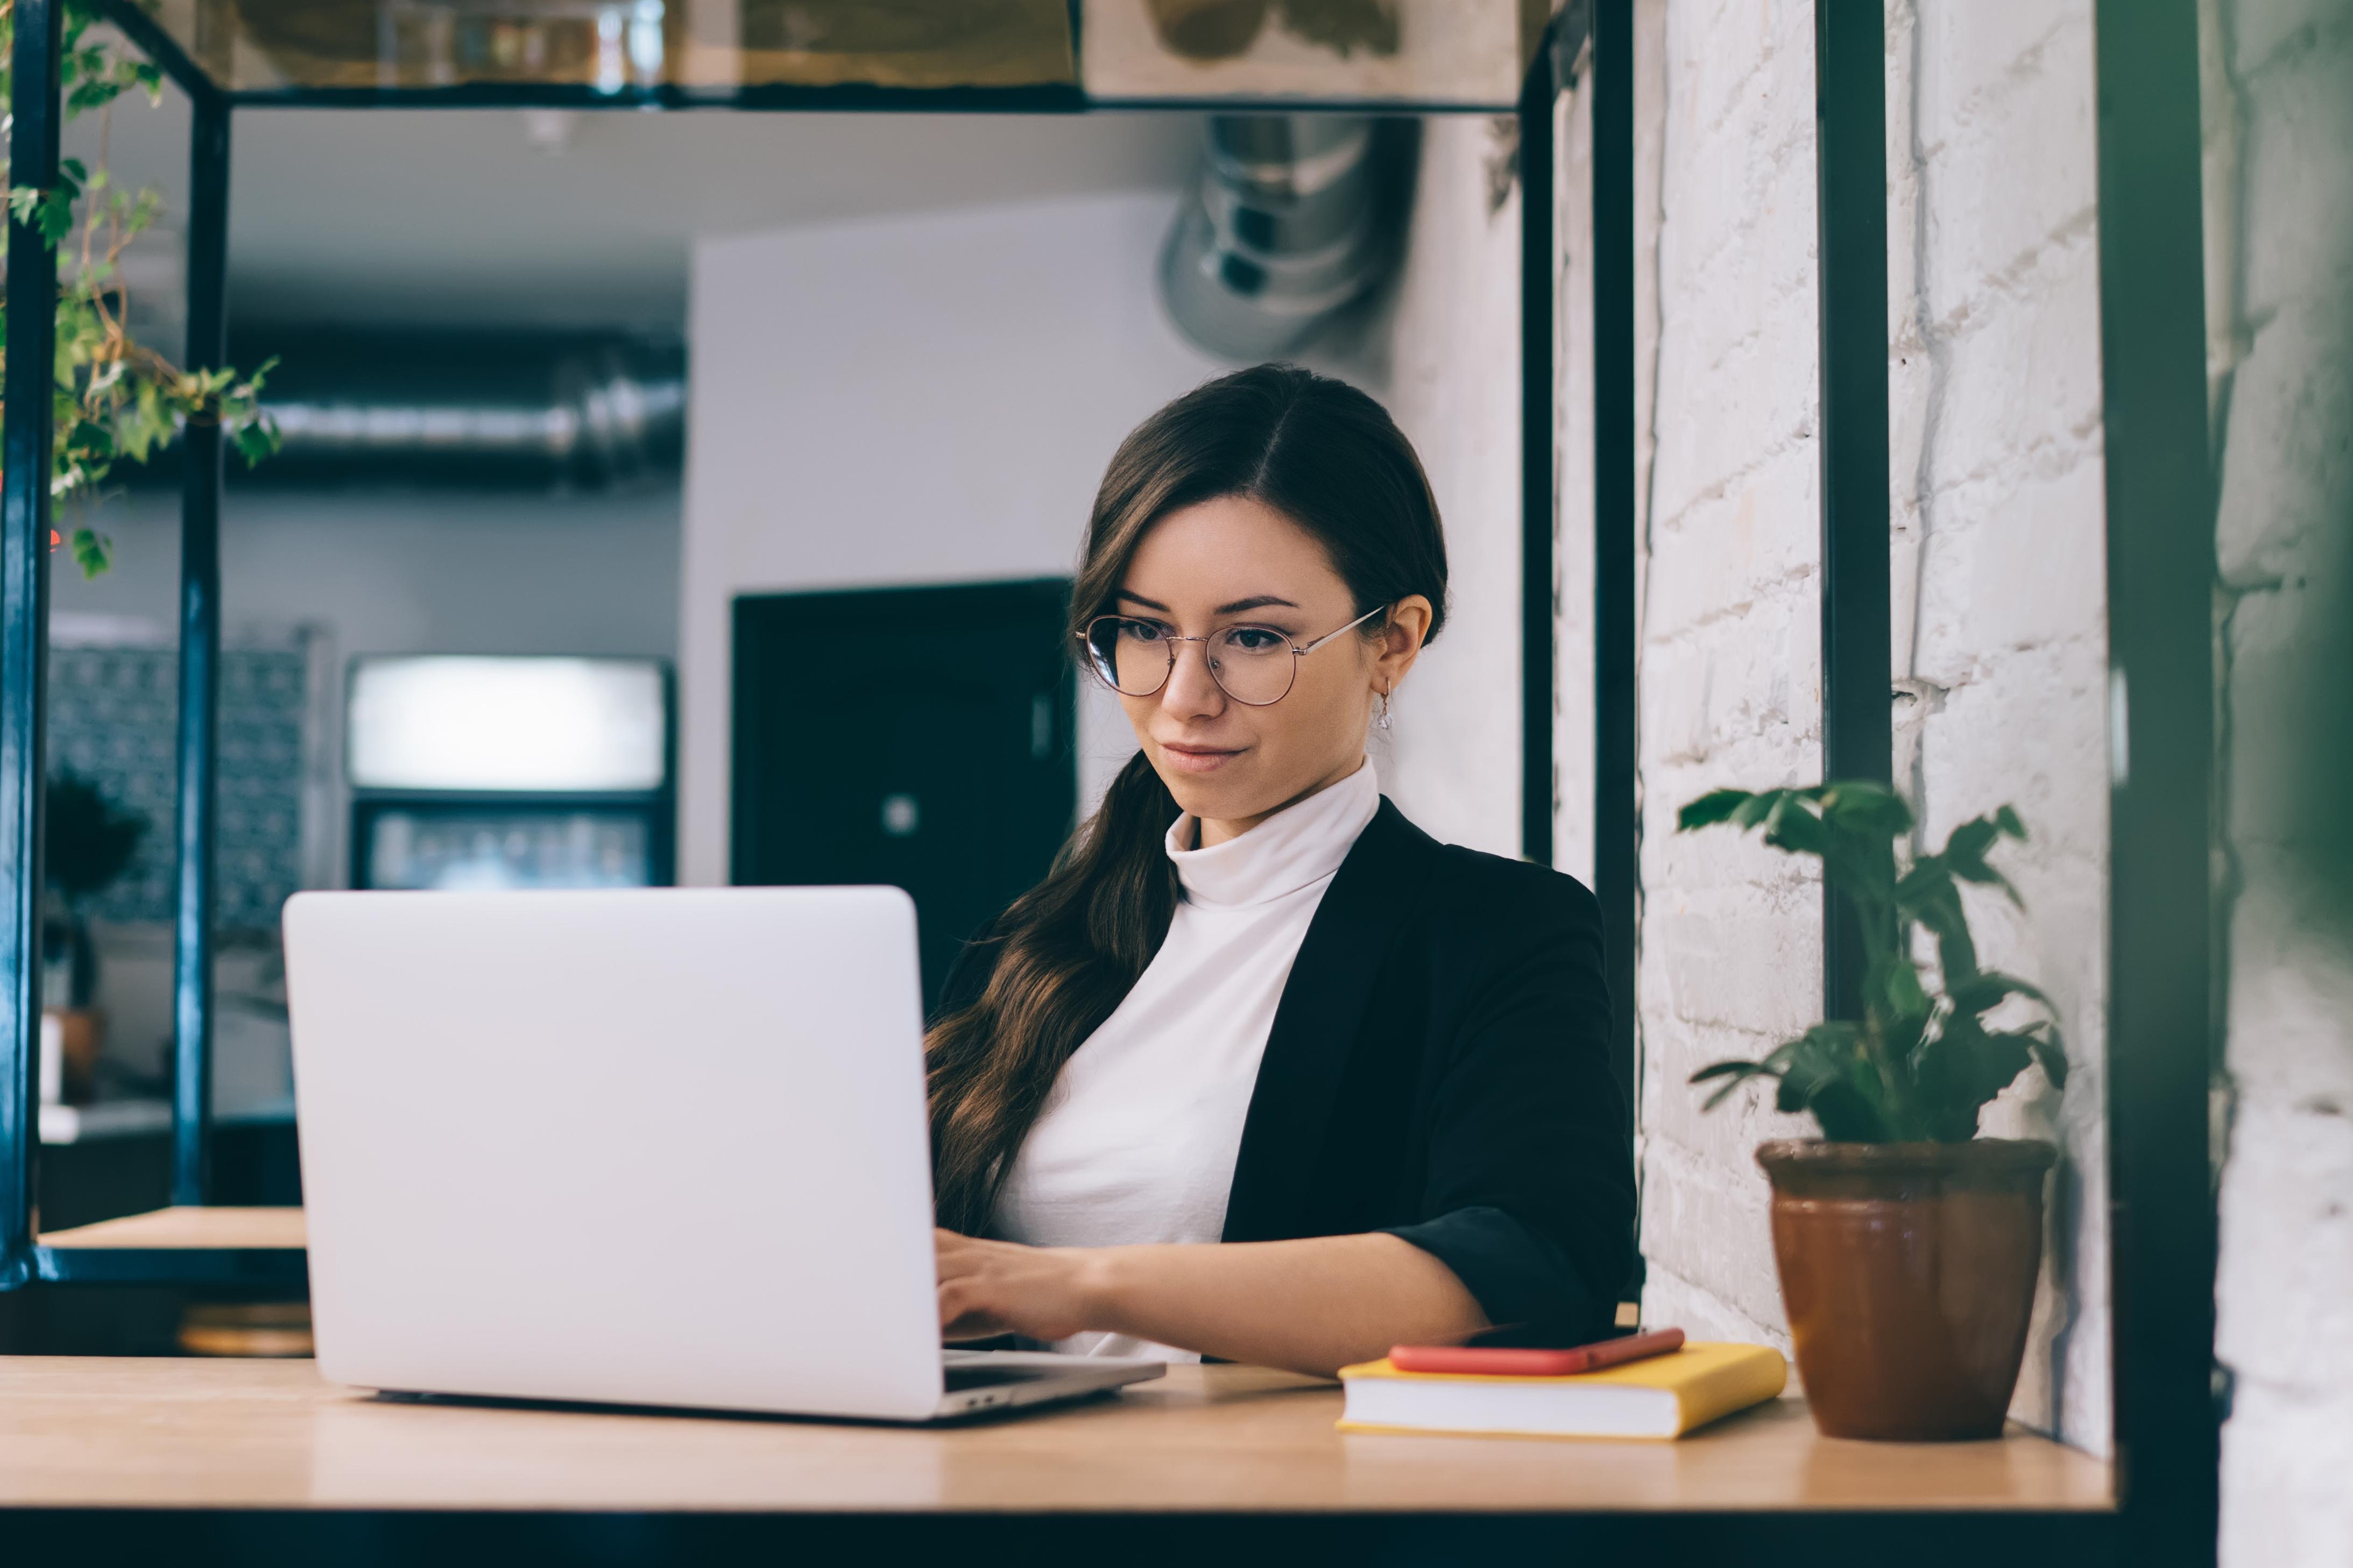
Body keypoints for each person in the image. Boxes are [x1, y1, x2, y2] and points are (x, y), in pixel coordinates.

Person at [927, 363, 1633, 1379]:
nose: (1181, 700)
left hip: (1274, 1520)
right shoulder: (1029, 949)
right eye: (1143, 631)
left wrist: (1084, 1285)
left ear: (1392, 643)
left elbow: (1542, 1266)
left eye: (1253, 639)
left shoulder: (1495, 933)